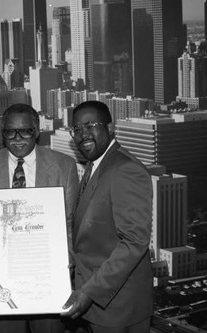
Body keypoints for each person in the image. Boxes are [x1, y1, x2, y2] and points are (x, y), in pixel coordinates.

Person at [0, 103, 79, 333]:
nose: (18, 138)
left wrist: (66, 257)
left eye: (25, 131)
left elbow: (70, 223)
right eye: (10, 132)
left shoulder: (64, 166)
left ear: (37, 131)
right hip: (3, 280)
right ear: (3, 134)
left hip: (48, 280)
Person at [61, 101, 154, 333]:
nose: (83, 134)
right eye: (77, 129)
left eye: (90, 125)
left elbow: (134, 242)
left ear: (110, 128)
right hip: (100, 306)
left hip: (117, 308)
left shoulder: (124, 169)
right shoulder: (96, 165)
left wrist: (90, 292)